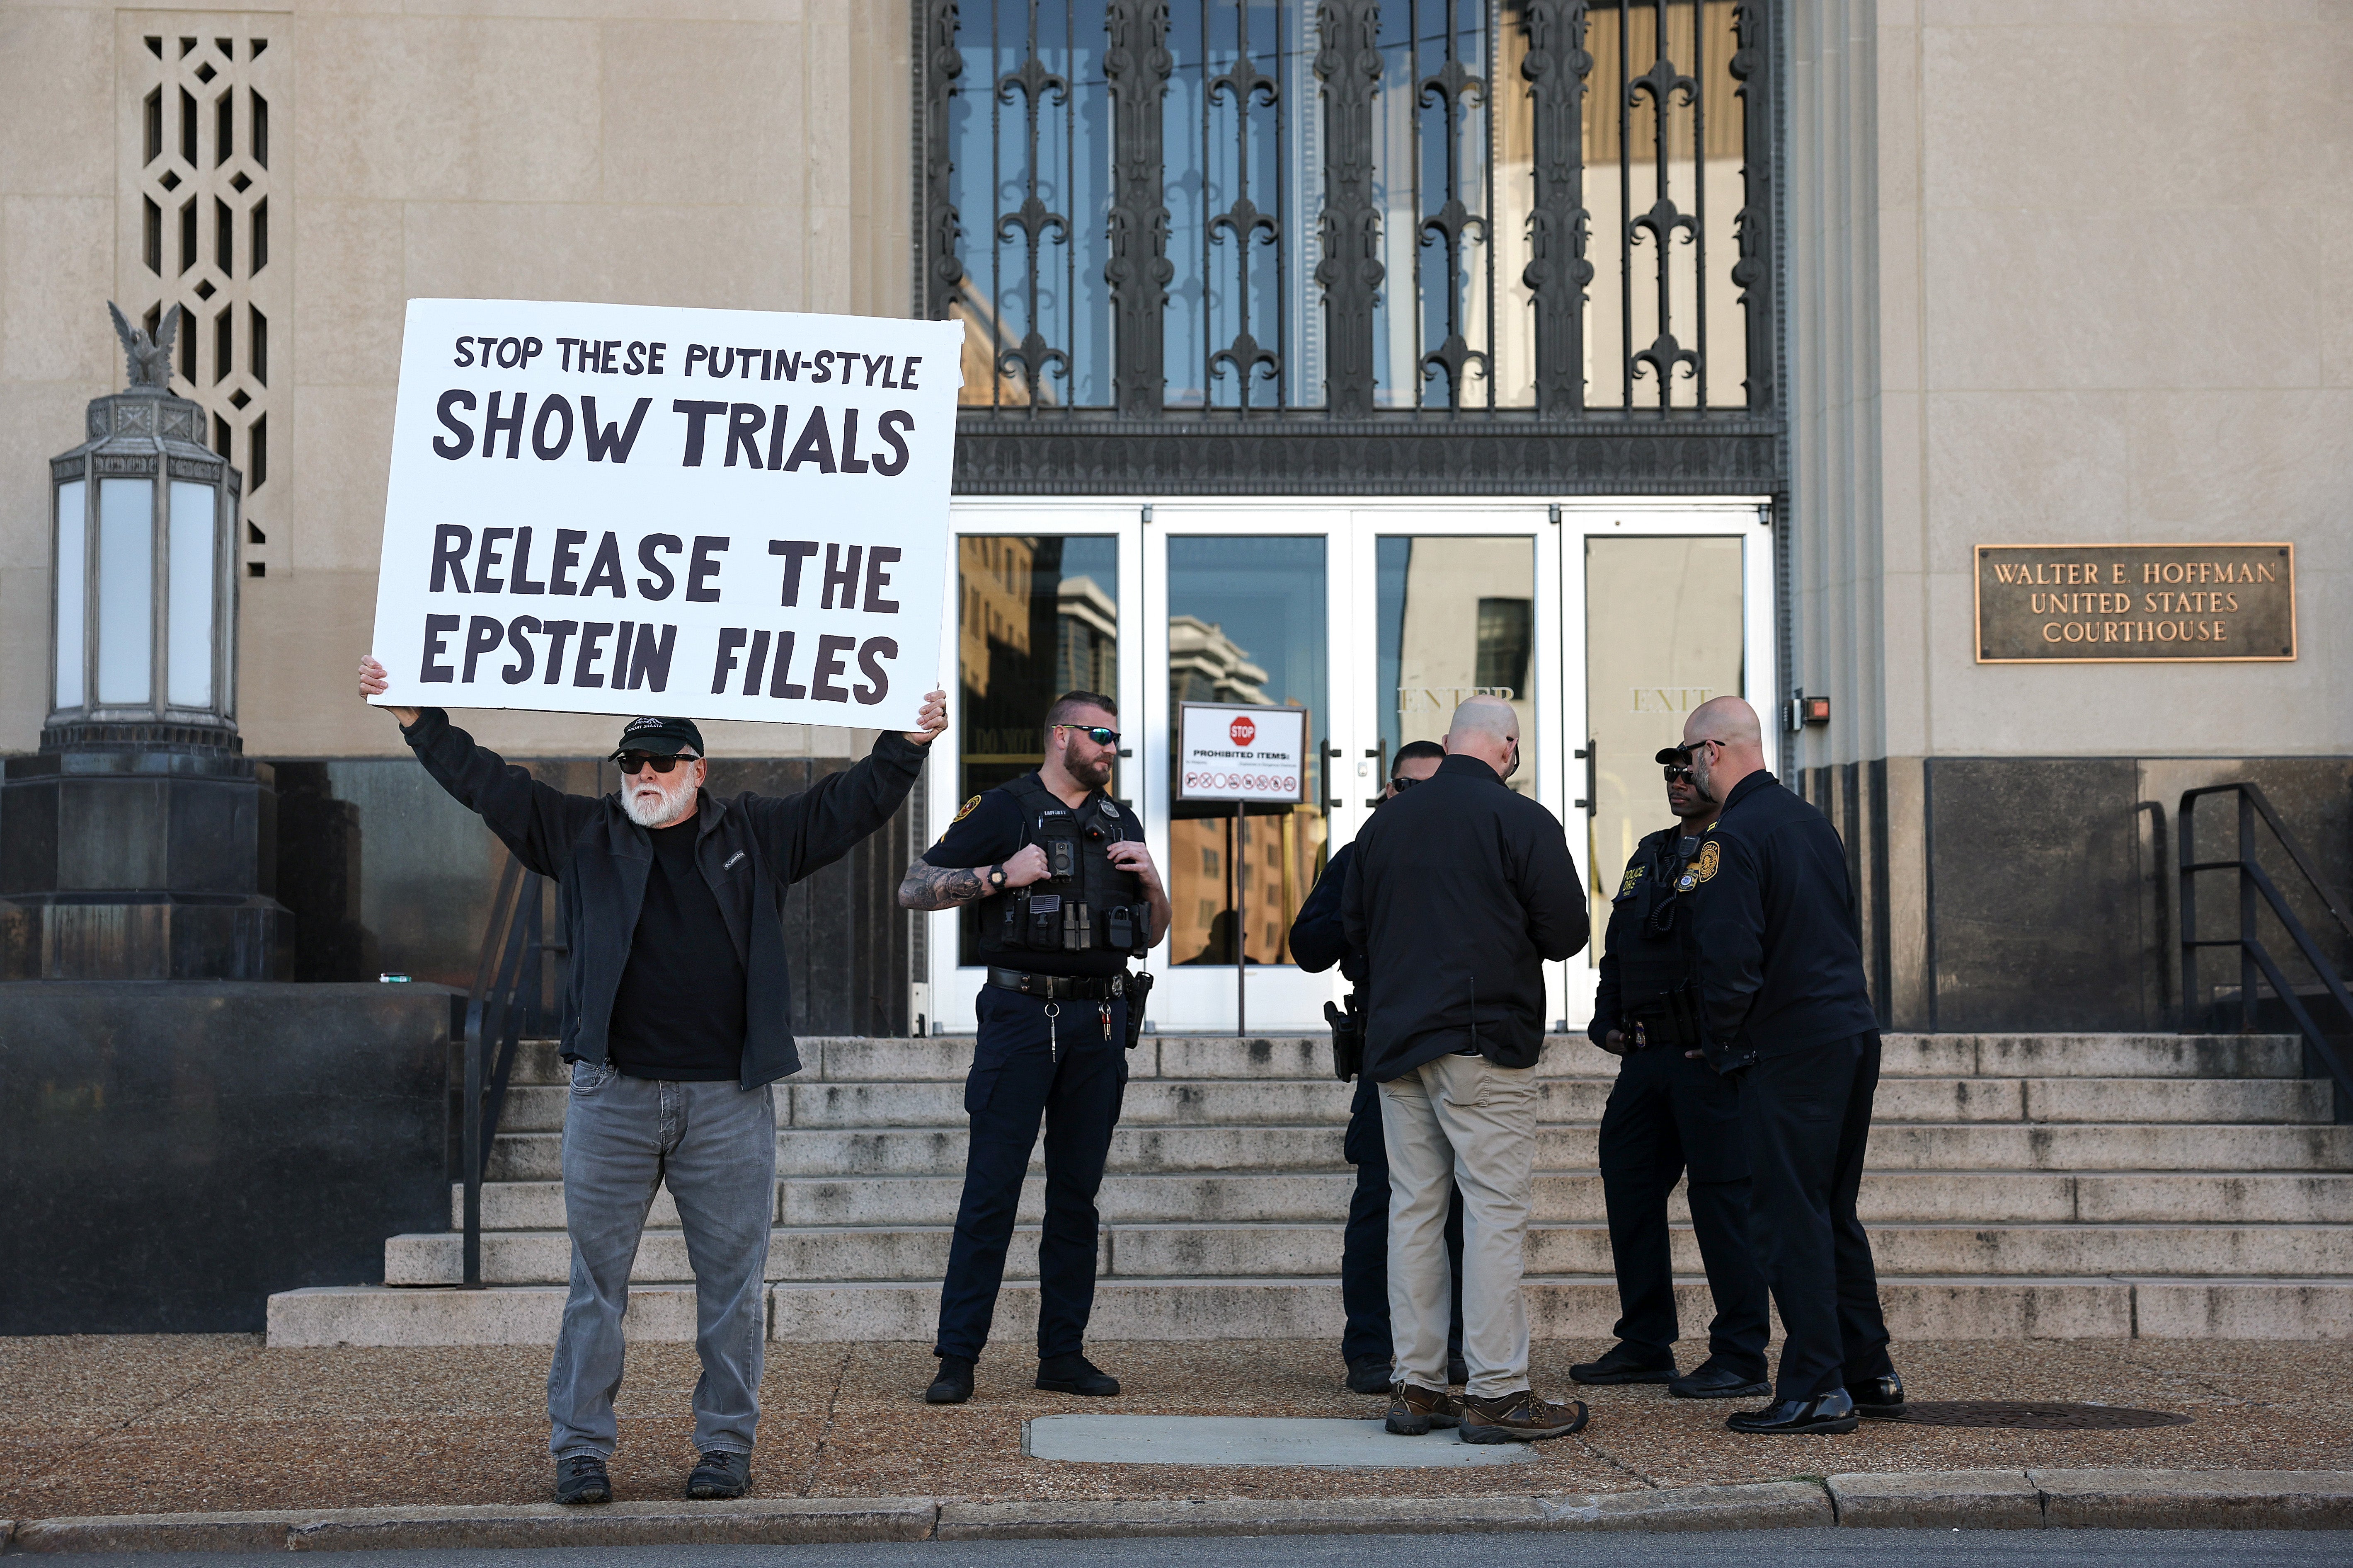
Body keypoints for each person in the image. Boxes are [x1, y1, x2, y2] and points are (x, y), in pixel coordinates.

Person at [355, 655, 947, 1505]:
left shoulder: (755, 834)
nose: (643, 776)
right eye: (631, 763)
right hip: (613, 1096)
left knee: (732, 1288)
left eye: (662, 762)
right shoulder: (582, 833)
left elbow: (847, 807)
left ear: (698, 771)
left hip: (726, 1100)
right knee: (596, 1284)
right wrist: (419, 718)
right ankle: (582, 1450)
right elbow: (490, 785)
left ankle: (724, 1446)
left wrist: (906, 742)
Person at [897, 690, 1170, 1405]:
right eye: (1100, 735)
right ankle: (957, 1358)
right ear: (1061, 736)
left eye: (1116, 739)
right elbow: (913, 887)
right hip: (1021, 1016)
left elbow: (1153, 932)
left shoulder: (1119, 819)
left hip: (1101, 1024)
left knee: (1076, 1199)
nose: (1110, 749)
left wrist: (1154, 881)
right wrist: (996, 876)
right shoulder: (1003, 808)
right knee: (991, 1192)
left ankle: (1063, 1355)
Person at [1341, 696, 1591, 1445]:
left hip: (1396, 1045)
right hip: (1483, 1040)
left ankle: (1416, 1389)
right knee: (1491, 1214)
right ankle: (1495, 1393)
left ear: (1450, 745)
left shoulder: (1383, 824)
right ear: (1507, 750)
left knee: (1413, 1211)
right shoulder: (1519, 820)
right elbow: (1567, 932)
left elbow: (1352, 931)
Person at [1678, 694, 1904, 1435]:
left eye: (1689, 757)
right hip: (1847, 1033)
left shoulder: (1731, 836)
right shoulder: (1809, 822)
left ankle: (1813, 1386)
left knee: (1787, 1217)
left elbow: (1729, 957)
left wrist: (1719, 1045)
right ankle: (1866, 1369)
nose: (1688, 772)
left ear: (1713, 751)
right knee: (1830, 1210)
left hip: (1787, 1045)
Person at [1571, 750, 1770, 1400]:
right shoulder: (1647, 855)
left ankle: (1740, 1353)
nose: (1678, 784)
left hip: (1706, 1061)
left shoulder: (1732, 849)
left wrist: (1727, 1044)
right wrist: (1606, 1024)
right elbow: (1617, 953)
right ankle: (1644, 1341)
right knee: (1627, 1189)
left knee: (1722, 1205)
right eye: (1668, 776)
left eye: (1687, 773)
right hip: (1647, 1060)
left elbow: (1745, 954)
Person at [1288, 740, 1467, 1396]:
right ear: (1386, 793)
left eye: (1427, 788)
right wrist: (1364, 896)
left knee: (1456, 1206)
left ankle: (1447, 1346)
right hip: (1386, 1054)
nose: (1411, 800)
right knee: (1380, 1204)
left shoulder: (1468, 859)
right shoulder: (1361, 857)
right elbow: (1308, 946)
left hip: (1459, 1050)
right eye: (1402, 787)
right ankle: (1369, 1346)